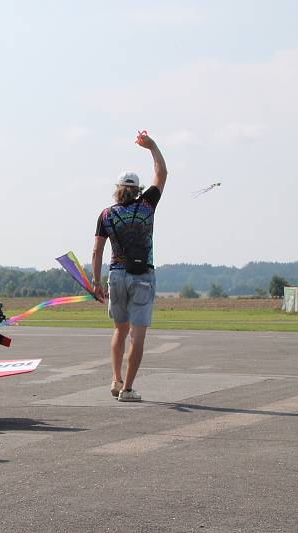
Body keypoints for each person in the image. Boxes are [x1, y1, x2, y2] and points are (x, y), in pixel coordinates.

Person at [91, 132, 167, 402]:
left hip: (116, 275)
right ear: (137, 190)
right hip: (143, 275)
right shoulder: (147, 205)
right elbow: (162, 172)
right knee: (138, 334)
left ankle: (115, 378)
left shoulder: (106, 214)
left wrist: (96, 282)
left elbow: (97, 250)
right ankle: (128, 389)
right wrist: (152, 147)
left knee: (119, 330)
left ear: (117, 189)